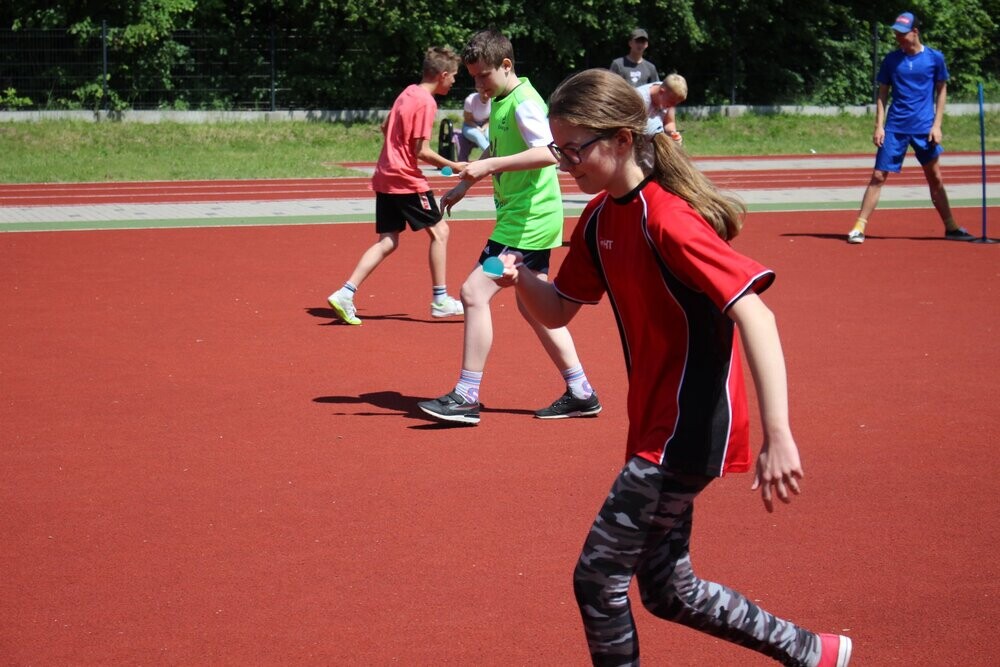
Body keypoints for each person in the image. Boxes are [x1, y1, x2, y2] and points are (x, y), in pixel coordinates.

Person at [495, 68, 853, 666]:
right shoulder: (600, 219)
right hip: (654, 425)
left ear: (622, 140)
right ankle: (813, 651)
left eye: (575, 150)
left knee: (597, 579)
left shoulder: (667, 219)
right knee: (668, 589)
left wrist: (779, 434)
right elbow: (557, 310)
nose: (565, 165)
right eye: (559, 150)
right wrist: (522, 277)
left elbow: (757, 316)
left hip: (687, 429)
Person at [417, 29, 601, 426]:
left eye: (484, 76)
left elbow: (549, 153)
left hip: (527, 223)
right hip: (521, 220)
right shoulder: (502, 101)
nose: (479, 86)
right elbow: (497, 149)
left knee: (472, 292)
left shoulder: (524, 101)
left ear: (506, 65)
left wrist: (489, 166)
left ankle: (466, 395)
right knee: (534, 306)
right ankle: (581, 391)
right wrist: (465, 184)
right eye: (473, 78)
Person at [327, 46, 468, 325]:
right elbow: (421, 150)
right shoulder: (427, 102)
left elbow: (385, 127)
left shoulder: (407, 92)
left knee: (388, 240)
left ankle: (345, 293)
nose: (454, 81)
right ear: (442, 75)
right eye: (453, 76)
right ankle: (440, 300)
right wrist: (455, 165)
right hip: (405, 178)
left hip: (384, 174)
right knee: (440, 231)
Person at [846, 11, 974, 244]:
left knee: (934, 177)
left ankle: (951, 227)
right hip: (895, 127)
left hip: (924, 128)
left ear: (915, 32)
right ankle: (859, 227)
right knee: (878, 175)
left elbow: (941, 90)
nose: (899, 38)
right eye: (896, 34)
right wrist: (879, 126)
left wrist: (937, 125)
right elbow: (882, 94)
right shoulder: (891, 60)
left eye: (903, 34)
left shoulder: (934, 58)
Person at [636, 73, 687, 144]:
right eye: (671, 102)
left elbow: (669, 122)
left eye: (675, 104)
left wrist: (673, 134)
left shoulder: (669, 93)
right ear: (661, 92)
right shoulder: (639, 99)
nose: (671, 106)